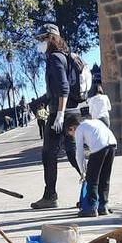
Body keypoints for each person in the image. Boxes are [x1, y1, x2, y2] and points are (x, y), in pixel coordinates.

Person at [30, 22, 86, 210]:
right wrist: (43, 101)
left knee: (48, 155)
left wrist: (59, 115)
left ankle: (50, 196)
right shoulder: (67, 56)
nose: (39, 43)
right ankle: (93, 187)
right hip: (74, 112)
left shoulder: (54, 58)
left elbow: (63, 87)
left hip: (60, 115)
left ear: (51, 38)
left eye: (42, 39)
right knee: (73, 153)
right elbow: (59, 89)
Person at [66, 114, 116, 218]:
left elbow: (79, 154)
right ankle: (103, 206)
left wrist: (83, 172)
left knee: (92, 179)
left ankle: (91, 208)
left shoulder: (79, 129)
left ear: (72, 128)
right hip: (112, 145)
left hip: (99, 146)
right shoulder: (94, 122)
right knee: (104, 177)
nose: (72, 136)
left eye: (71, 133)